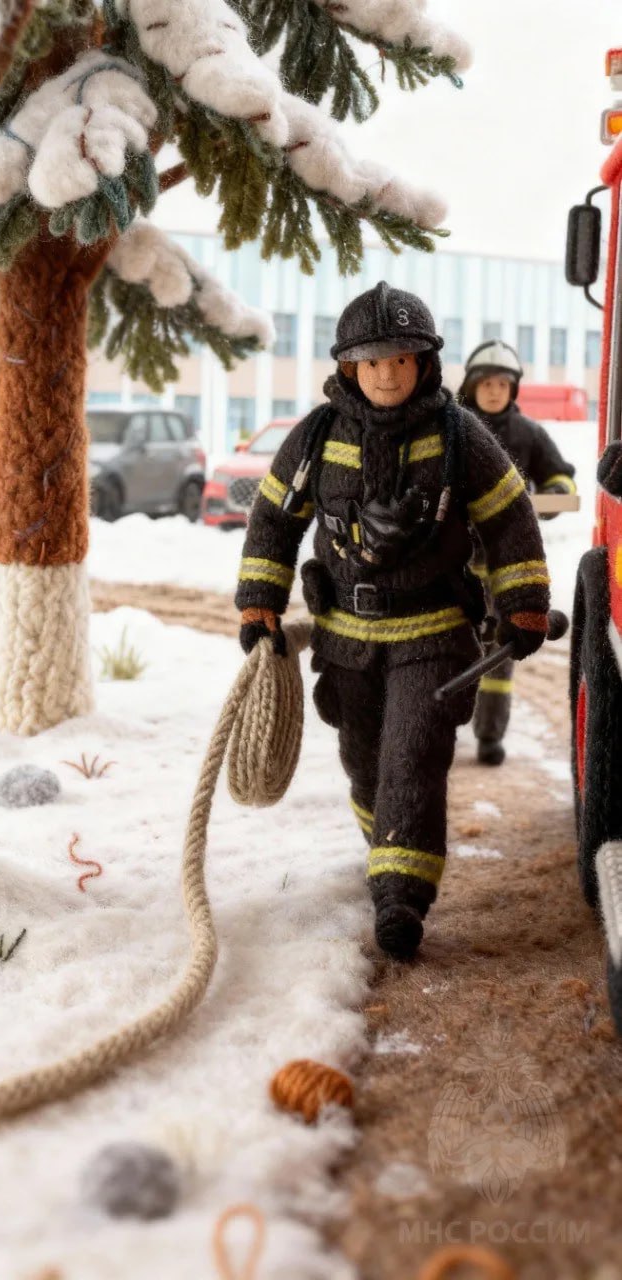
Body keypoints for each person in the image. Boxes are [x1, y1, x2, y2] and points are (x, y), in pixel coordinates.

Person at [234, 283, 552, 963]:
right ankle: (389, 853)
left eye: (401, 359)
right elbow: (272, 519)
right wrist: (259, 601)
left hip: (433, 638)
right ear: (348, 367)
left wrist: (521, 602)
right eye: (371, 361)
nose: (387, 373)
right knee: (363, 763)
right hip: (345, 643)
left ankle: (401, 898)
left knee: (412, 760)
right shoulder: (315, 435)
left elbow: (508, 518)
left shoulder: (459, 435)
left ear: (425, 364)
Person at [458, 340, 577, 766]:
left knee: (499, 654)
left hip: (507, 569)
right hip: (449, 568)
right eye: (486, 382)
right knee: (441, 647)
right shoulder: (447, 430)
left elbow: (559, 476)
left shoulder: (528, 434)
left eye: (502, 383)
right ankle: (433, 729)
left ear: (514, 389)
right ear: (471, 386)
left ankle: (489, 735)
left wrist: (555, 494)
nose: (493, 390)